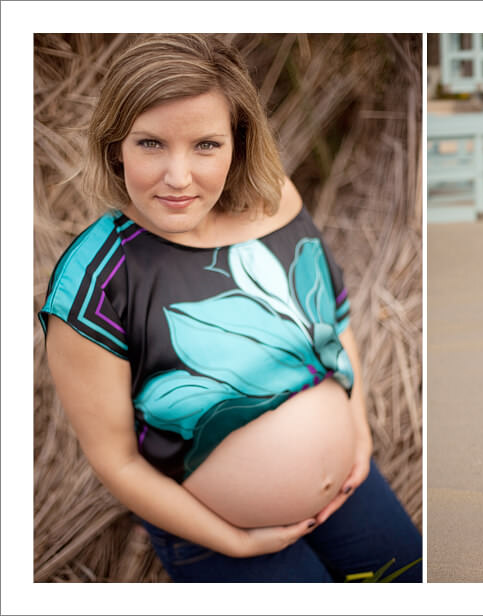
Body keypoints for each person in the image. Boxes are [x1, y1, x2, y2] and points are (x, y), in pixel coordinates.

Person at [38, 34, 421, 582]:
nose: (178, 176)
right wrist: (236, 544)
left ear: (238, 143)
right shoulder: (92, 284)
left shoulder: (274, 200)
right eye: (150, 144)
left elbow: (334, 324)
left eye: (206, 145)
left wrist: (358, 433)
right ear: (114, 145)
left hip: (354, 490)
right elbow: (115, 460)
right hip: (218, 534)